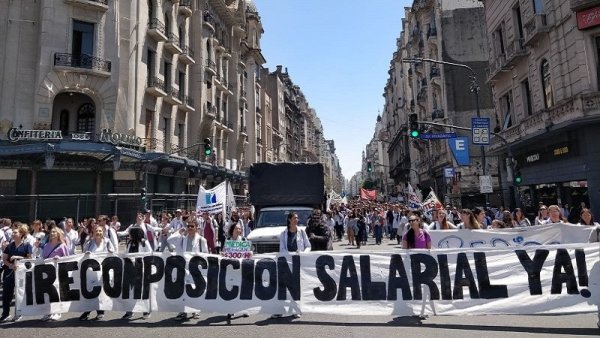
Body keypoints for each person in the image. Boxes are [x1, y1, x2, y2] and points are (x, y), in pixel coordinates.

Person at [167, 219, 208, 320]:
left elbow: (206, 254)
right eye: (188, 226)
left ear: (196, 228)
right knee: (184, 290)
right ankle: (183, 312)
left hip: (196, 268)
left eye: (192, 226)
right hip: (184, 268)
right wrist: (180, 232)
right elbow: (170, 240)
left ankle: (195, 311)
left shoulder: (201, 240)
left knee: (195, 290)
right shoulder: (182, 239)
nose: (189, 228)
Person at [273, 213, 310, 319]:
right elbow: (282, 249)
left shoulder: (302, 232)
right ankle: (280, 310)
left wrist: (303, 253)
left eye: (297, 218)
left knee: (296, 287)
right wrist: (289, 255)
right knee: (283, 288)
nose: (296, 220)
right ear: (289, 220)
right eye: (294, 218)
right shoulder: (283, 234)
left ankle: (296, 309)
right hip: (287, 263)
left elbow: (308, 246)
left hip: (298, 263)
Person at [80, 226, 115, 321]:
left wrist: (110, 253)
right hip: (91, 272)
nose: (98, 232)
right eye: (96, 231)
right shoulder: (89, 243)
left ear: (103, 232)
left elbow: (113, 254)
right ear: (93, 232)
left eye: (100, 231)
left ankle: (100, 312)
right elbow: (83, 254)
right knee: (90, 292)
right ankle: (88, 311)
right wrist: (86, 254)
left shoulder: (107, 242)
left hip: (103, 271)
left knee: (100, 292)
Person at [1, 224, 32, 323]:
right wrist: (10, 265)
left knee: (19, 294)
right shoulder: (10, 245)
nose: (13, 234)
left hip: (21, 274)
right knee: (6, 294)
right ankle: (5, 314)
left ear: (21, 234)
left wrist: (18, 258)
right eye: (13, 232)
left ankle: (18, 313)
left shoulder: (27, 245)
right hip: (9, 273)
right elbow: (4, 258)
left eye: (15, 232)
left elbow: (30, 259)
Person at [121, 226, 152, 320]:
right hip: (131, 269)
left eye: (130, 233)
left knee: (142, 291)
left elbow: (150, 253)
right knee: (130, 291)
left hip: (141, 269)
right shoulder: (130, 243)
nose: (129, 235)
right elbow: (126, 253)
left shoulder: (144, 242)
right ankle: (129, 311)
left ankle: (146, 311)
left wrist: (139, 257)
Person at [40, 227, 70, 321]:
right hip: (47, 271)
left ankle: (57, 312)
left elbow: (67, 259)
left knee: (56, 291)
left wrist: (59, 259)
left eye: (54, 232)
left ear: (58, 234)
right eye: (51, 232)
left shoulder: (62, 245)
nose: (52, 233)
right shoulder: (46, 245)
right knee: (47, 292)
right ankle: (48, 312)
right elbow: (43, 257)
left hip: (58, 271)